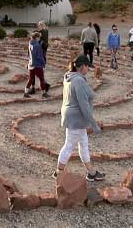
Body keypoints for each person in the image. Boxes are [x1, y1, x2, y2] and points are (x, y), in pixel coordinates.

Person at [55, 54, 105, 182]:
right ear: (82, 66)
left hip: (71, 115)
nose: (88, 69)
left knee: (83, 143)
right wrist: (93, 124)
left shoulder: (69, 77)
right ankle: (58, 172)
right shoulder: (78, 80)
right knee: (70, 144)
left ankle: (91, 172)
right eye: (88, 66)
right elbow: (83, 104)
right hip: (76, 117)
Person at [24, 32, 50, 98]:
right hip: (37, 65)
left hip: (31, 64)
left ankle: (26, 92)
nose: (39, 39)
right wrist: (43, 63)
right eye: (39, 37)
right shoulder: (37, 46)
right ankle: (44, 93)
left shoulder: (30, 43)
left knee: (31, 79)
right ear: (36, 37)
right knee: (42, 79)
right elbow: (39, 56)